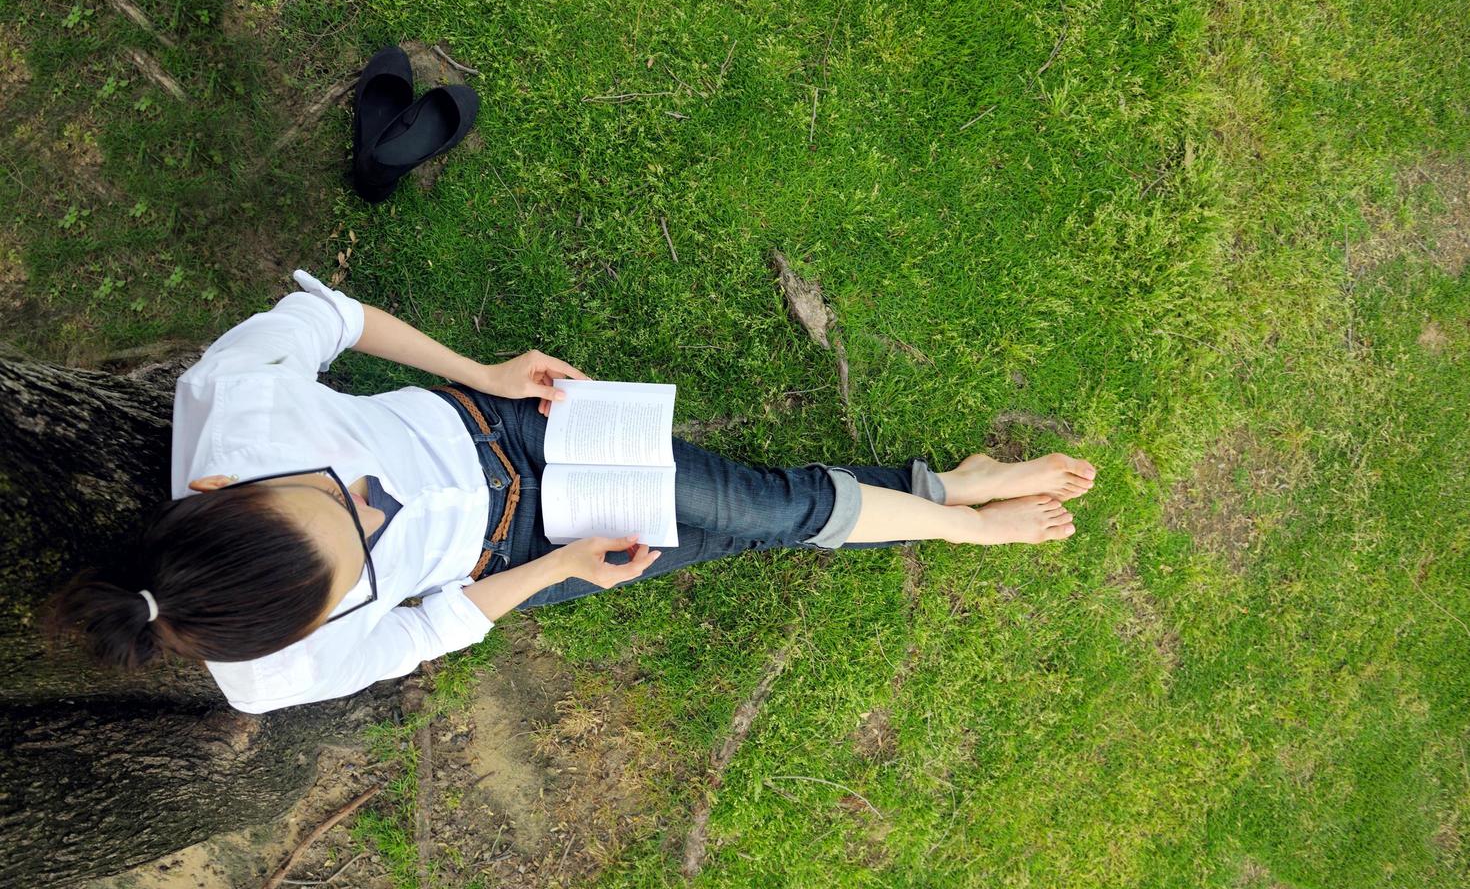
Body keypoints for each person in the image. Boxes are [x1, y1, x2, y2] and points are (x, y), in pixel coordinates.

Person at [46, 272, 1096, 713]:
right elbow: (420, 631)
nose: (375, 512)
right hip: (514, 554)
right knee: (732, 528)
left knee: (764, 508)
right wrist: (558, 567)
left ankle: (959, 515)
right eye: (363, 556)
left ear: (226, 486)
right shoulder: (265, 674)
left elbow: (335, 317)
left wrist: (486, 374)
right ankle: (950, 495)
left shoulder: (231, 404)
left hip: (501, 424)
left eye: (341, 496)